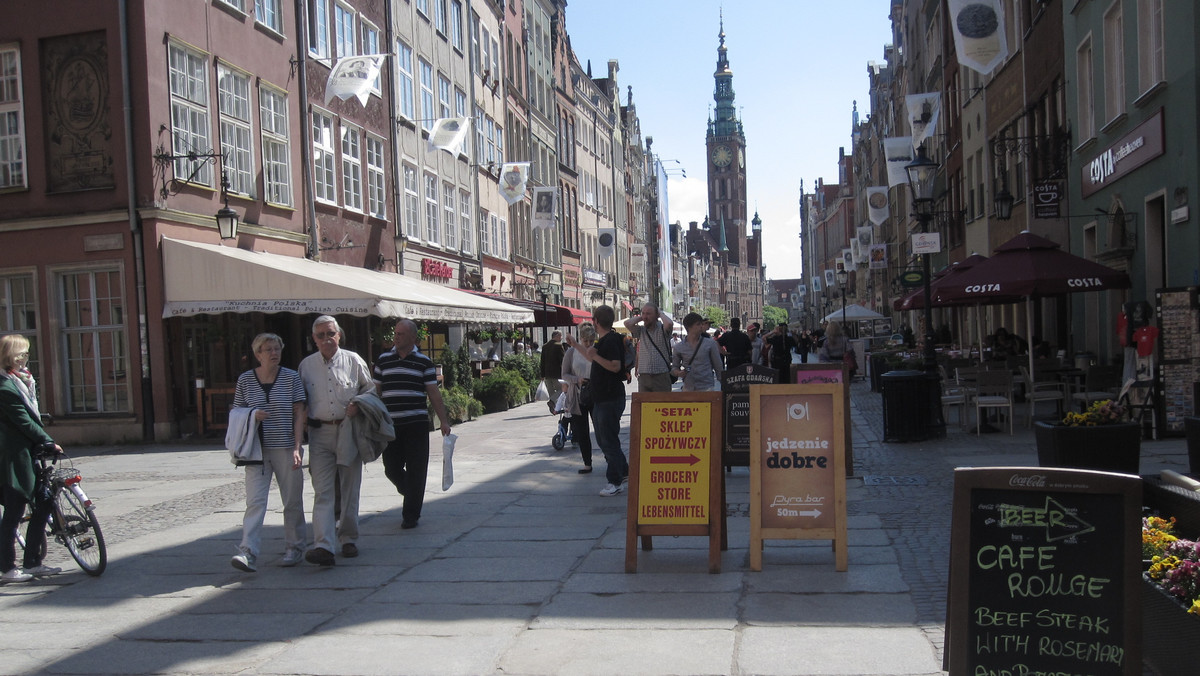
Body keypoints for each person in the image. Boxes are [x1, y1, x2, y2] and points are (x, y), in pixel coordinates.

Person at [298, 316, 375, 565]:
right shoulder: (306, 366)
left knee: (350, 487)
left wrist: (358, 403)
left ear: (339, 335)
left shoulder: (353, 360)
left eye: (330, 333)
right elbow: (299, 403)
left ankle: (349, 538)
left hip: (348, 429)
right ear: (314, 339)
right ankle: (324, 545)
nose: (326, 339)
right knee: (322, 491)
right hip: (319, 433)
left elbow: (371, 389)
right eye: (320, 335)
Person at [229, 333, 308, 572]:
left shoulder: (291, 378)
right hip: (256, 451)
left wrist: (297, 447)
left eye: (277, 348)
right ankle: (248, 552)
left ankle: (294, 547)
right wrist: (252, 415)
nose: (274, 353)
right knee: (255, 502)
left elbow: (300, 413)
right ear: (257, 354)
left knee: (292, 500)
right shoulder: (245, 380)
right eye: (268, 349)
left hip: (285, 447)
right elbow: (236, 414)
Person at [374, 319, 452, 530]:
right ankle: (412, 492)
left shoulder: (424, 363)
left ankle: (410, 515)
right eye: (396, 333)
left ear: (412, 338)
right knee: (391, 468)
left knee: (417, 469)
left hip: (416, 424)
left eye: (400, 334)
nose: (396, 337)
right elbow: (375, 392)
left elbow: (433, 393)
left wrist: (443, 420)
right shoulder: (383, 361)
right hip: (391, 425)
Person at [0, 334, 62, 582]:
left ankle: (33, 562)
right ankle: (6, 568)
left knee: (44, 502)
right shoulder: (4, 387)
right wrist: (47, 440)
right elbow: (23, 420)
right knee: (14, 511)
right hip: (13, 458)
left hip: (26, 453)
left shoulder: (19, 381)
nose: (27, 358)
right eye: (23, 353)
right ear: (11, 356)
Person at [565, 305, 628, 496]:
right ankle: (622, 471)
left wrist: (596, 357)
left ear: (596, 321)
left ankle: (615, 481)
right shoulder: (606, 340)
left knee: (607, 440)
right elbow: (593, 357)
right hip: (603, 397)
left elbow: (615, 366)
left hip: (609, 398)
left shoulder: (610, 341)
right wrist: (576, 345)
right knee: (605, 439)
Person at [560, 323, 596, 474]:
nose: (588, 344)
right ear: (580, 339)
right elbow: (564, 374)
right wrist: (577, 380)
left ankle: (610, 461)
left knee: (601, 431)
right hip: (578, 395)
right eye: (585, 341)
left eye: (591, 341)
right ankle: (587, 463)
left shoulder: (596, 351)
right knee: (582, 432)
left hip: (595, 394)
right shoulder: (571, 352)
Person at [623, 303, 675, 392]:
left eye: (648, 314)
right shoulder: (641, 330)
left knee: (661, 404)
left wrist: (660, 313)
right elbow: (627, 323)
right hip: (644, 376)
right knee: (644, 405)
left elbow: (669, 323)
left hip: (661, 375)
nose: (645, 317)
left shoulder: (663, 329)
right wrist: (642, 317)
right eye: (643, 313)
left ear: (656, 316)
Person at [672, 313, 725, 391]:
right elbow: (674, 368)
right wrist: (678, 373)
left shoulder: (710, 344)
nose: (701, 326)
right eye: (698, 324)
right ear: (689, 327)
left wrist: (724, 385)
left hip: (707, 388)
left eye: (701, 324)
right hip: (688, 388)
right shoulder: (679, 347)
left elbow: (718, 366)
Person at [540, 330, 565, 413]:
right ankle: (552, 402)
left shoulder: (545, 346)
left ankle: (552, 408)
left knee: (551, 391)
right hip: (557, 373)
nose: (561, 338)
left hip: (547, 373)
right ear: (557, 336)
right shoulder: (558, 345)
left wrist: (542, 374)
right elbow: (562, 360)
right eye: (560, 336)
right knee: (561, 390)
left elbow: (542, 361)